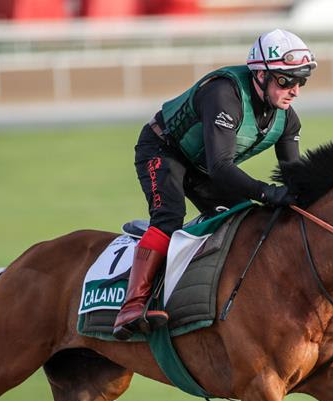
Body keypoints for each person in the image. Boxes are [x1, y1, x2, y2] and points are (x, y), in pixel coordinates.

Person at [112, 29, 317, 340]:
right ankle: (132, 305)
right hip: (163, 150)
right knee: (168, 216)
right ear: (260, 74)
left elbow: (295, 178)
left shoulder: (288, 120)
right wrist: (266, 191)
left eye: (302, 81)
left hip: (203, 165)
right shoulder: (224, 94)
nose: (295, 91)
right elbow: (221, 167)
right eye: (286, 80)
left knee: (244, 219)